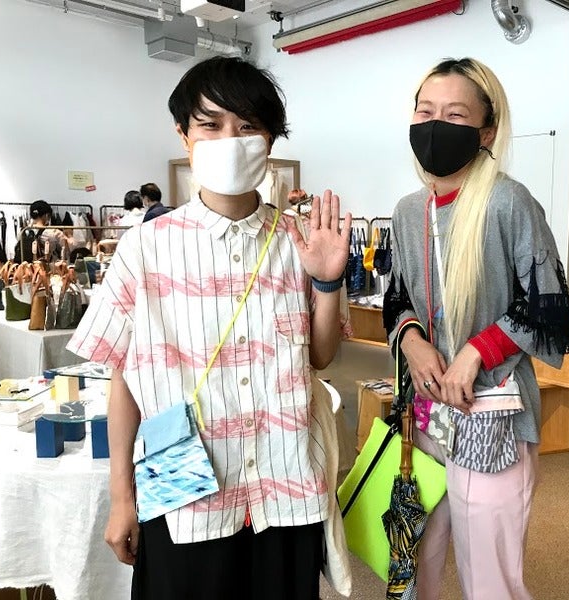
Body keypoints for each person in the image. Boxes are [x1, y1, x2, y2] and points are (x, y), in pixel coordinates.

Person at [67, 56, 352, 600]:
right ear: (184, 135)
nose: (231, 140)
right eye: (211, 124)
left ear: (270, 140)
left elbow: (318, 358)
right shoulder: (146, 247)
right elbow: (125, 379)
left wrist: (327, 280)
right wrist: (122, 497)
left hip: (284, 489)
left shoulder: (297, 241)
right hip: (186, 498)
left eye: (247, 127)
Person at [382, 57, 569, 600]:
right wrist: (413, 343)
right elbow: (397, 298)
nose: (435, 125)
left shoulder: (508, 201)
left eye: (454, 114)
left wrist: (475, 353)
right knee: (416, 556)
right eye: (425, 111)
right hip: (427, 408)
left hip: (490, 410)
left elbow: (549, 306)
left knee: (489, 575)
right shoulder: (408, 211)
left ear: (486, 131)